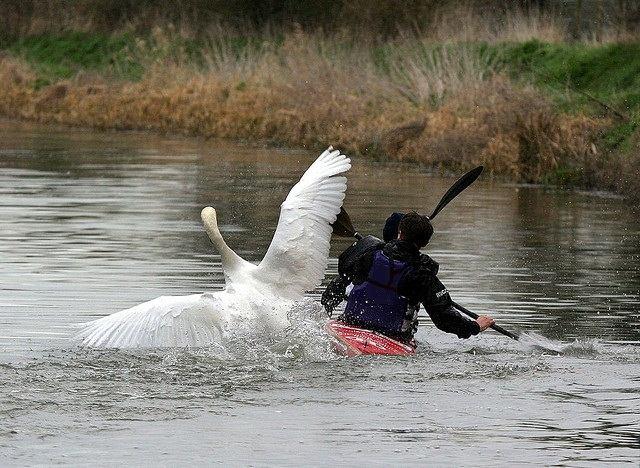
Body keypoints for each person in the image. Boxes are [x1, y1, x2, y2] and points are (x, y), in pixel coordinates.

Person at [321, 211, 495, 343]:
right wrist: (475, 326)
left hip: (349, 328)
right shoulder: (423, 275)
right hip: (393, 340)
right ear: (425, 243)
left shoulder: (367, 254)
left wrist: (325, 313)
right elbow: (444, 318)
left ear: (399, 233)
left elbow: (337, 285)